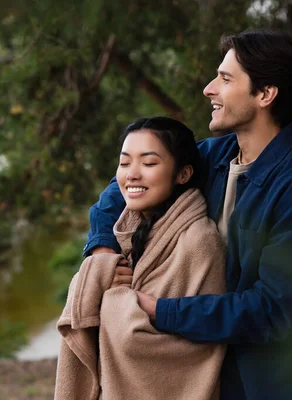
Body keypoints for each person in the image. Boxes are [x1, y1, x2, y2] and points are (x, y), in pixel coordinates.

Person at [84, 30, 292, 400]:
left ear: (264, 94)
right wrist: (102, 251)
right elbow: (123, 186)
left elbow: (273, 310)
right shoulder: (214, 155)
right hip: (213, 372)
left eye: (225, 79)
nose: (209, 89)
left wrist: (161, 311)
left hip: (277, 383)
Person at [55, 117, 227, 400]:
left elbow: (189, 349)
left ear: (183, 174)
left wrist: (110, 296)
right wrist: (99, 270)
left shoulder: (199, 241)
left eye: (148, 164)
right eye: (125, 163)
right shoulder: (131, 229)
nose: (132, 175)